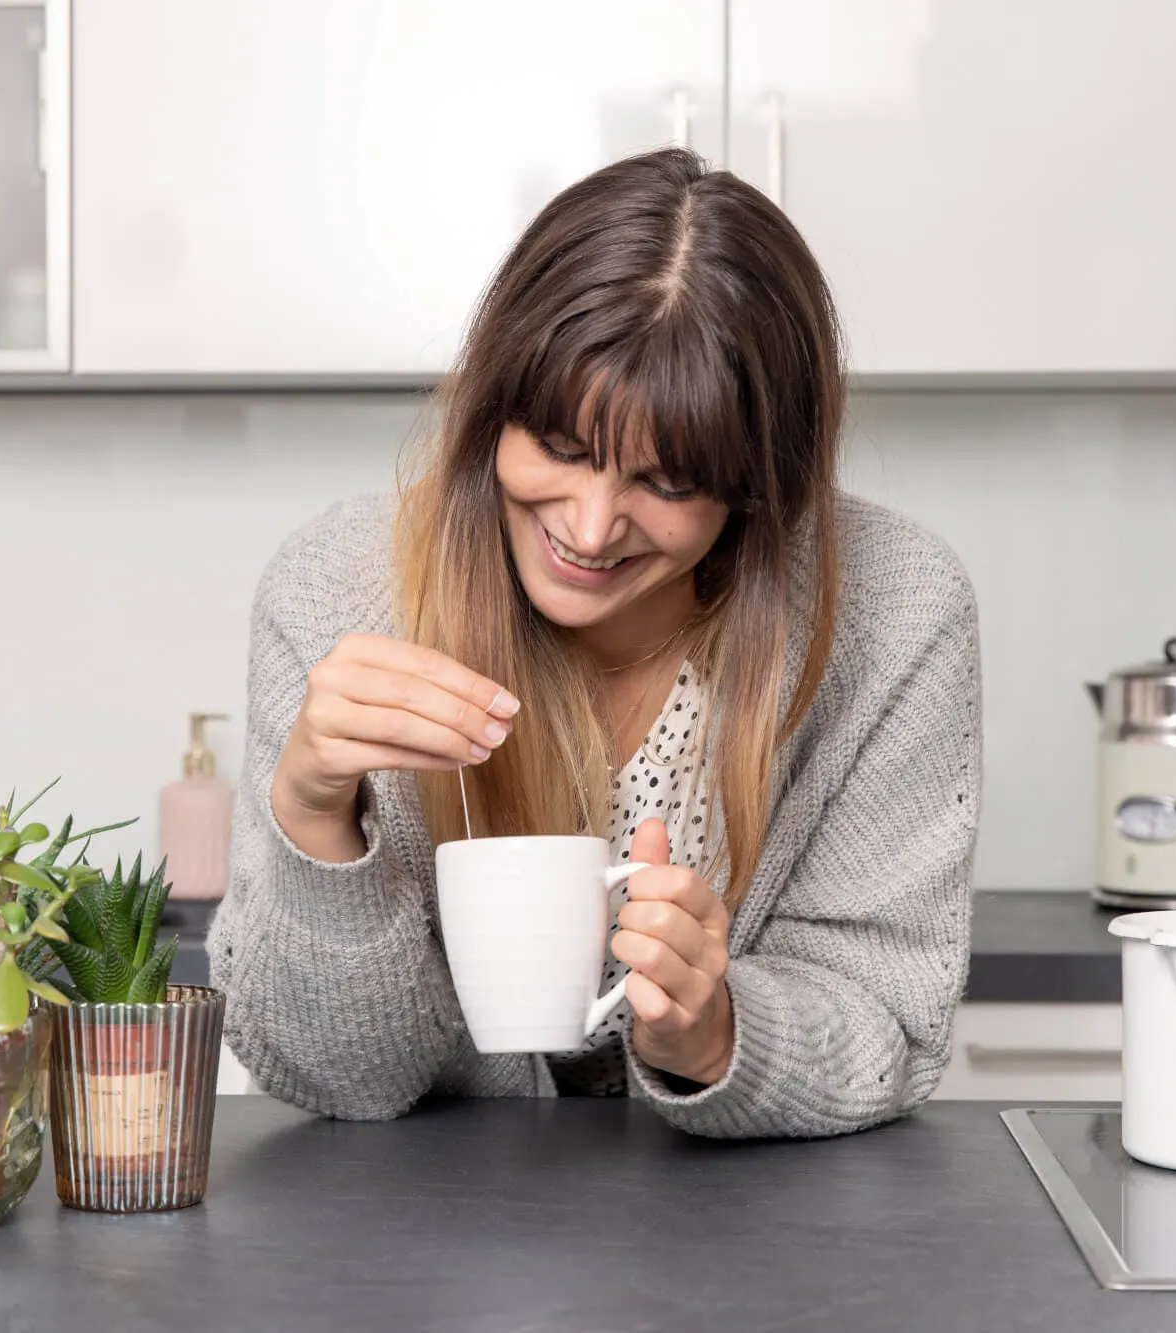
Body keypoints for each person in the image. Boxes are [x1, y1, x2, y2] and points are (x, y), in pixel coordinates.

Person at [207, 147, 982, 1140]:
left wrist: (715, 1035)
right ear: (493, 408)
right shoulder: (336, 590)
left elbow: (885, 1019)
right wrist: (314, 816)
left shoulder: (897, 609)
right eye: (560, 451)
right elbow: (339, 1077)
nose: (587, 526)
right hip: (419, 1255)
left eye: (663, 484)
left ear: (760, 487)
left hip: (756, 1243)